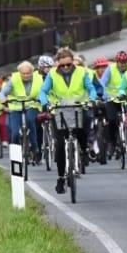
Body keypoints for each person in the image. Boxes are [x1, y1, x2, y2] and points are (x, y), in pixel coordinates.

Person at [38, 47, 104, 193]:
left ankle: (84, 149)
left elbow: (91, 88)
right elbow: (43, 91)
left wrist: (92, 100)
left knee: (84, 128)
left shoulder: (82, 72)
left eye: (68, 64)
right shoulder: (52, 75)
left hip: (79, 107)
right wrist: (45, 103)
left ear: (73, 62)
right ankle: (61, 177)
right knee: (60, 145)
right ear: (58, 64)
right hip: (59, 110)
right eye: (62, 65)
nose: (66, 67)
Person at [0, 61, 45, 158]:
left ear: (32, 72)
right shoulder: (14, 79)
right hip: (16, 106)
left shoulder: (39, 79)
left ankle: (34, 146)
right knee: (15, 133)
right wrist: (2, 99)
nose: (26, 75)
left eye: (28, 73)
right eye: (23, 73)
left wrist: (42, 99)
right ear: (19, 73)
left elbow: (44, 91)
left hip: (32, 104)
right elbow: (3, 93)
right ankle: (16, 155)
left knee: (30, 120)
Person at [99, 50, 127, 159]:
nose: (123, 64)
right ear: (117, 62)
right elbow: (102, 83)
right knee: (112, 119)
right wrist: (104, 95)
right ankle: (112, 142)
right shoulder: (111, 69)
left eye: (125, 62)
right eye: (121, 62)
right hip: (112, 98)